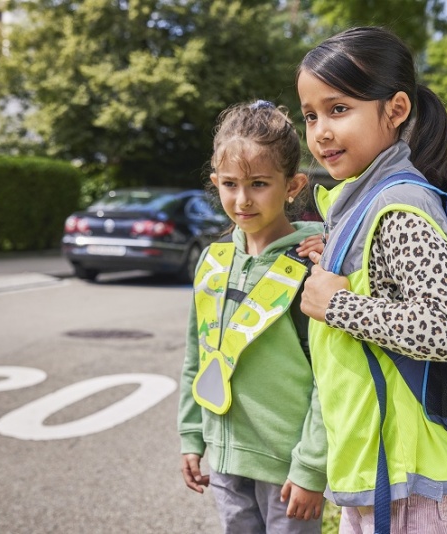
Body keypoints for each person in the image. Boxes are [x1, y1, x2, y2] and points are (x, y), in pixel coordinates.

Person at [296, 27, 447, 533]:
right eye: (310, 115)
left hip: (408, 478)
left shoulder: (400, 206)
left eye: (338, 110)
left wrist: (339, 306)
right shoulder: (363, 200)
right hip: (381, 465)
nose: (320, 131)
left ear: (396, 109)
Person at [178, 100, 328, 534]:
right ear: (215, 183)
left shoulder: (310, 266)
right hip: (225, 457)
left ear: (293, 185)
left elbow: (328, 377)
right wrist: (191, 436)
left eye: (259, 183)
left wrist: (311, 467)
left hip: (289, 467)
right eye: (229, 184)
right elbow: (197, 355)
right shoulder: (212, 260)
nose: (242, 200)